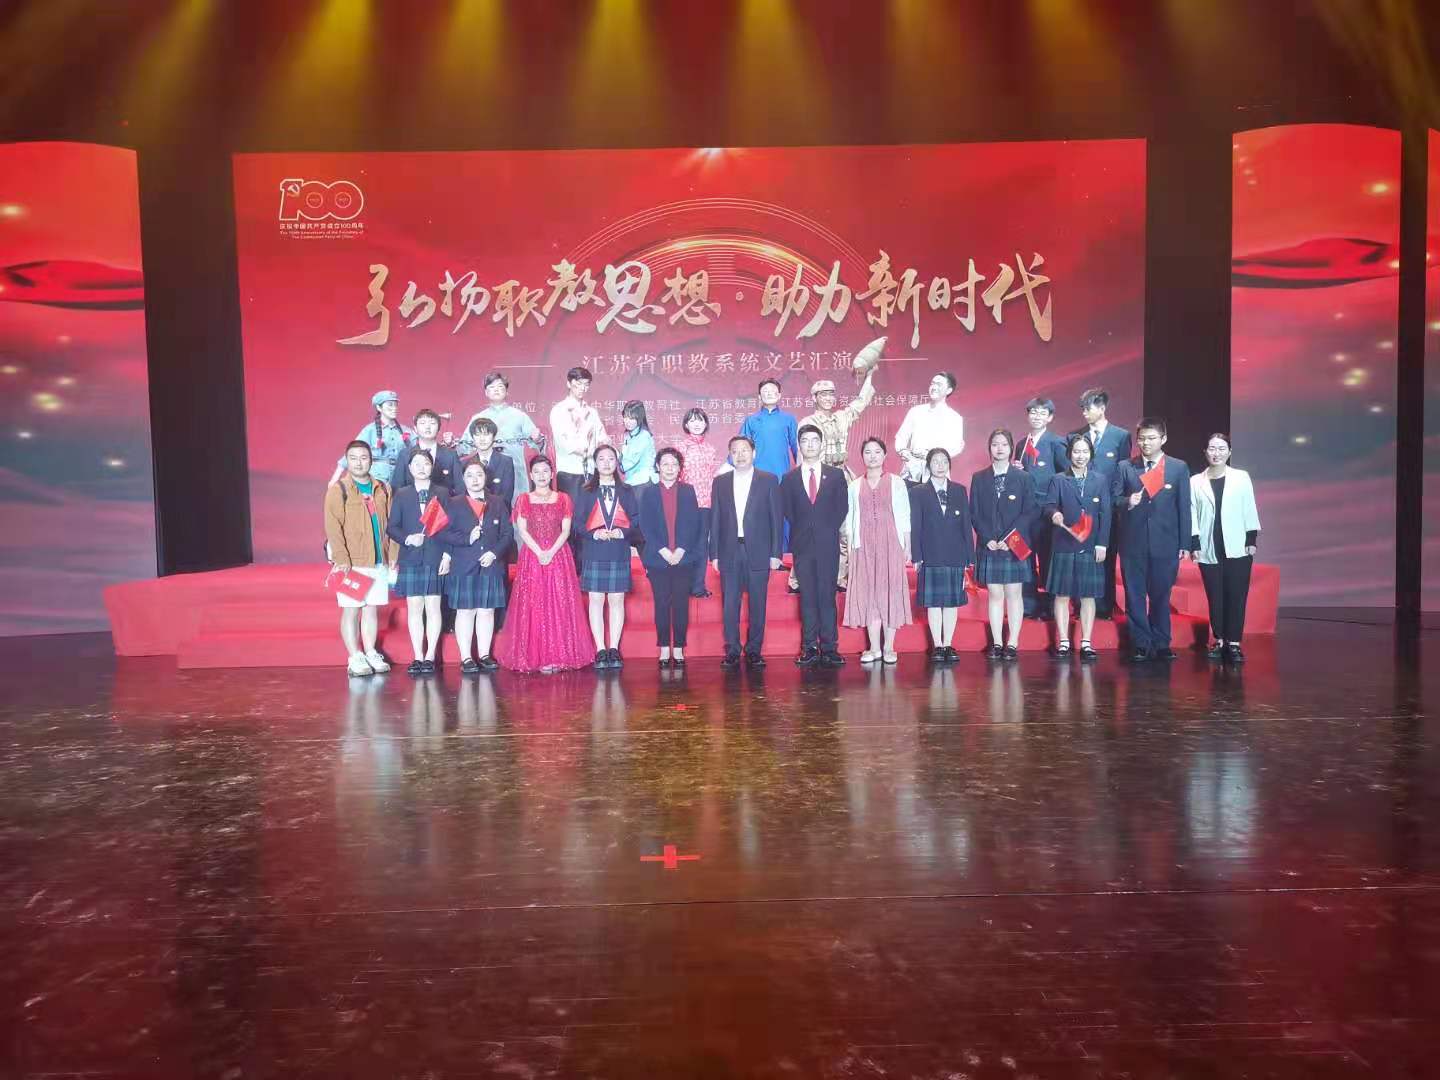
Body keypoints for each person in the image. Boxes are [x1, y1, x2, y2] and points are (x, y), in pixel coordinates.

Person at [496, 456, 593, 673]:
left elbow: (566, 530)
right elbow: (522, 531)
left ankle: (558, 655)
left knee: (559, 604)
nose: (541, 475)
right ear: (531, 475)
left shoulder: (563, 498)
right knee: (535, 603)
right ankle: (536, 657)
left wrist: (551, 551)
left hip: (559, 555)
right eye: (537, 472)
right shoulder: (524, 499)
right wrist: (540, 552)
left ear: (552, 474)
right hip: (532, 556)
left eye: (545, 471)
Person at [1113, 417, 1192, 662]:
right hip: (1132, 543)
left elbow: (1184, 508)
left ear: (1163, 439)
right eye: (1142, 439)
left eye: (1151, 438)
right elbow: (1114, 499)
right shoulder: (1126, 466)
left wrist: (1185, 543)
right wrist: (1128, 501)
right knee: (1134, 594)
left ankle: (1161, 642)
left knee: (1161, 594)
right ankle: (1140, 642)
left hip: (1165, 543)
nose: (1146, 443)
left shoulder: (1178, 468)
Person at [709, 434, 784, 670]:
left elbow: (776, 518)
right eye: (735, 451)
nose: (740, 455)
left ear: (754, 453)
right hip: (729, 551)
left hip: (759, 551)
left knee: (758, 603)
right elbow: (715, 519)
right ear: (730, 455)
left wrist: (776, 553)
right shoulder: (720, 482)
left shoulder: (768, 480)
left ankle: (754, 650)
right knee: (730, 604)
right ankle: (732, 650)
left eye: (744, 450)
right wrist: (714, 554)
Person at [324, 440, 398, 676]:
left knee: (371, 609)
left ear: (371, 460)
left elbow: (393, 525)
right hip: (352, 562)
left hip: (378, 559)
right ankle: (354, 656)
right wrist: (342, 559)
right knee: (352, 609)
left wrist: (393, 554)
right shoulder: (339, 490)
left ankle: (370, 651)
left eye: (364, 458)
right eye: (353, 458)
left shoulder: (383, 488)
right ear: (347, 461)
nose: (358, 463)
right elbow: (333, 527)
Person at [1189, 432, 1261, 663]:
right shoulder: (1195, 481)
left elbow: (1249, 507)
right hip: (1209, 546)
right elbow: (1192, 513)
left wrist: (1251, 539)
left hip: (1238, 545)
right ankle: (1219, 639)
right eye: (1212, 448)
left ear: (1229, 452)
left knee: (1237, 595)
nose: (1216, 453)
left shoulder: (1241, 477)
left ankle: (1234, 642)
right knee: (1215, 595)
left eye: (1221, 448)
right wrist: (1194, 543)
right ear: (1205, 452)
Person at [782, 424, 849, 668]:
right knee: (808, 596)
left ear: (821, 444)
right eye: (805, 440)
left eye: (814, 440)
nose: (809, 444)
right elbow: (787, 510)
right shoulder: (789, 478)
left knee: (827, 595)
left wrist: (824, 528)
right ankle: (809, 647)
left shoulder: (835, 475)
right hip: (802, 544)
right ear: (799, 446)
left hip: (827, 543)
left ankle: (830, 647)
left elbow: (841, 507)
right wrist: (805, 528)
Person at [842, 436, 912, 665]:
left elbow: (904, 515)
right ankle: (874, 647)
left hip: (891, 542)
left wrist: (907, 546)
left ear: (884, 455)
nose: (872, 456)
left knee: (890, 591)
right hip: (863, 546)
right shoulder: (854, 486)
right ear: (862, 457)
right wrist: (851, 548)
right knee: (869, 593)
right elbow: (850, 519)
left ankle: (889, 647)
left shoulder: (896, 482)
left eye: (877, 452)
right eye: (868, 452)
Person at [1042, 434, 1111, 663]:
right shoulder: (1058, 479)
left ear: (1091, 454)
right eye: (1076, 451)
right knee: (1061, 595)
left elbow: (1106, 514)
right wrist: (1054, 514)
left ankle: (1086, 642)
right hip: (1064, 543)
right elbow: (1049, 505)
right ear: (1069, 454)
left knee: (1088, 596)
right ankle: (1063, 641)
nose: (1080, 456)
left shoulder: (1100, 480)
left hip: (1090, 545)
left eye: (1085, 452)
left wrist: (1102, 543)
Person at [441, 458, 514, 674]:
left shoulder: (498, 502)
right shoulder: (453, 503)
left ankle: (484, 654)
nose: (475, 479)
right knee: (465, 611)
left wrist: (494, 553)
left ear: (486, 477)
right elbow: (442, 533)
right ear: (463, 479)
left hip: (491, 565)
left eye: (479, 475)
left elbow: (507, 534)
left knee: (487, 611)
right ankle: (466, 657)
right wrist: (467, 538)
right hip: (464, 565)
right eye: (470, 475)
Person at [970, 428, 1037, 660]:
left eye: (1004, 444)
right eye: (995, 444)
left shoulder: (1023, 478)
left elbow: (1029, 511)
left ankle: (1013, 642)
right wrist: (987, 538)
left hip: (1015, 542)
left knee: (1014, 592)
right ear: (989, 448)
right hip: (989, 543)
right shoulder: (979, 478)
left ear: (1011, 448)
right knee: (995, 593)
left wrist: (1010, 539)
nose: (999, 448)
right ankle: (997, 642)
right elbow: (974, 513)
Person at [573, 445, 640, 670]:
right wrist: (594, 533)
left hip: (618, 549)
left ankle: (614, 648)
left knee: (617, 600)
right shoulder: (586, 490)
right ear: (595, 463)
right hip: (594, 549)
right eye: (601, 459)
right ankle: (600, 649)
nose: (606, 463)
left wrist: (623, 532)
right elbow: (577, 522)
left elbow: (636, 519)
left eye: (611, 459)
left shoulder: (627, 490)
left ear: (616, 462)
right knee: (596, 600)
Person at [385, 449, 451, 675]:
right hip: (411, 558)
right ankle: (417, 656)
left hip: (435, 556)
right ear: (410, 468)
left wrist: (447, 555)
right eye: (417, 464)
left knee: (433, 606)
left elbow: (450, 526)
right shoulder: (402, 494)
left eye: (426, 463)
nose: (422, 467)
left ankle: (430, 655)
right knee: (414, 607)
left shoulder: (442, 493)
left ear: (432, 467)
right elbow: (392, 527)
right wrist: (407, 538)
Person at [637, 447, 703, 668]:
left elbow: (693, 522)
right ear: (658, 466)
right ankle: (664, 647)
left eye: (674, 464)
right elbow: (646, 525)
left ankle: (679, 648)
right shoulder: (648, 492)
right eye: (665, 464)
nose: (670, 468)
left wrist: (681, 549)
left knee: (681, 603)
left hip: (683, 558)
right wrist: (663, 550)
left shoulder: (688, 491)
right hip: (658, 558)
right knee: (662, 603)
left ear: (680, 468)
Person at [909, 447, 974, 663]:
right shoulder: (918, 492)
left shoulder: (959, 490)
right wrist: (916, 555)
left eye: (944, 461)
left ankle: (948, 644)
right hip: (930, 554)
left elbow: (966, 525)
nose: (940, 465)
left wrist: (969, 556)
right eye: (935, 461)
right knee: (934, 603)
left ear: (949, 465)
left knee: (952, 603)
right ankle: (937, 645)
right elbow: (916, 526)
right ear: (928, 465)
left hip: (955, 554)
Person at [1072, 387, 1131, 618]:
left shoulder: (1120, 436)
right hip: (1081, 506)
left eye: (1088, 408)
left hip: (1109, 507)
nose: (1084, 413)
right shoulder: (1076, 436)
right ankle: (1080, 605)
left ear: (1102, 408)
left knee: (1107, 555)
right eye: (1082, 409)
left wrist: (1116, 502)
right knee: (1081, 555)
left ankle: (1106, 606)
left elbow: (1123, 471)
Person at [1014, 397, 1069, 619]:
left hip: (1047, 512)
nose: (1037, 416)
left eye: (1042, 413)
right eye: (1033, 412)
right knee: (1024, 557)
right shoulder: (1021, 444)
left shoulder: (1057, 443)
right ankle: (1028, 605)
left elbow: (1065, 476)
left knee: (1048, 559)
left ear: (1050, 417)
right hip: (1025, 512)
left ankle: (1049, 606)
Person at [459, 371, 547, 495]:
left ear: (507, 391)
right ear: (486, 392)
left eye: (500, 386)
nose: (496, 390)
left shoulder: (520, 416)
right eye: (492, 387)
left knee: (515, 501)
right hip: (484, 470)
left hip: (515, 469)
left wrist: (537, 439)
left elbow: (537, 445)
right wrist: (451, 444)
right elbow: (464, 446)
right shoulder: (477, 418)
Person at [329, 390, 415, 487]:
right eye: (390, 405)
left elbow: (419, 450)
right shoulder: (370, 430)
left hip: (400, 478)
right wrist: (335, 477)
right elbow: (353, 451)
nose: (394, 408)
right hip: (377, 479)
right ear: (379, 407)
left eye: (395, 405)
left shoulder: (406, 431)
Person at [800, 371, 877, 477]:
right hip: (819, 476)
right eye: (823, 395)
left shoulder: (840, 417)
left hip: (842, 474)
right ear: (814, 398)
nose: (828, 399)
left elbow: (860, 403)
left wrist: (869, 376)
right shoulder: (808, 423)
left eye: (831, 395)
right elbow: (802, 456)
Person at [894, 371, 965, 485]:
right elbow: (901, 436)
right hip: (912, 471)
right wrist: (903, 451)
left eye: (939, 384)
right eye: (932, 383)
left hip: (937, 473)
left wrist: (932, 456)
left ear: (949, 390)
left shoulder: (954, 417)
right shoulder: (916, 411)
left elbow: (956, 447)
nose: (934, 387)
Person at [549, 366, 608, 501]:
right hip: (570, 472)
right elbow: (564, 443)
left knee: (592, 511)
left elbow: (601, 436)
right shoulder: (559, 410)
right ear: (569, 384)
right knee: (572, 511)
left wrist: (605, 443)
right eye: (578, 384)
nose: (582, 388)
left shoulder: (592, 412)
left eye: (586, 384)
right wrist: (589, 450)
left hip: (591, 471)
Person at [679, 407, 721, 599]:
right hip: (685, 504)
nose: (696, 424)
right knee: (684, 544)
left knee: (702, 545)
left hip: (705, 502)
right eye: (692, 420)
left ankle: (698, 586)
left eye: (700, 420)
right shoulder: (680, 447)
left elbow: (713, 477)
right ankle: (683, 584)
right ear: (686, 424)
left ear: (706, 424)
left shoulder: (710, 449)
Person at [739, 378, 799, 479]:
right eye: (766, 391)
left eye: (773, 391)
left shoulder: (789, 419)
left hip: (782, 474)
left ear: (779, 395)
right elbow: (741, 446)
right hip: (757, 475)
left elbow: (796, 447)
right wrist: (729, 465)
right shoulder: (751, 420)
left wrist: (803, 470)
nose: (769, 393)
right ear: (759, 397)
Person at [394, 408, 461, 496]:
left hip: (444, 503)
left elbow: (460, 487)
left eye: (432, 423)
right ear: (415, 428)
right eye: (423, 423)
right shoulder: (405, 455)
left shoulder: (450, 455)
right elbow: (397, 488)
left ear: (439, 428)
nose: (428, 427)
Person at [462, 416, 516, 508]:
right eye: (477, 435)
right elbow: (463, 494)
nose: (482, 439)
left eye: (486, 434)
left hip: (499, 512)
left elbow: (506, 496)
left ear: (494, 436)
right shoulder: (465, 463)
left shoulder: (506, 462)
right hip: (471, 513)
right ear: (472, 438)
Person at [619, 400, 657, 496]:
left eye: (632, 418)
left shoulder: (643, 435)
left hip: (643, 483)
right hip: (634, 482)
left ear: (639, 418)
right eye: (625, 417)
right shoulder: (628, 435)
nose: (627, 421)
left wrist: (615, 456)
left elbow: (628, 463)